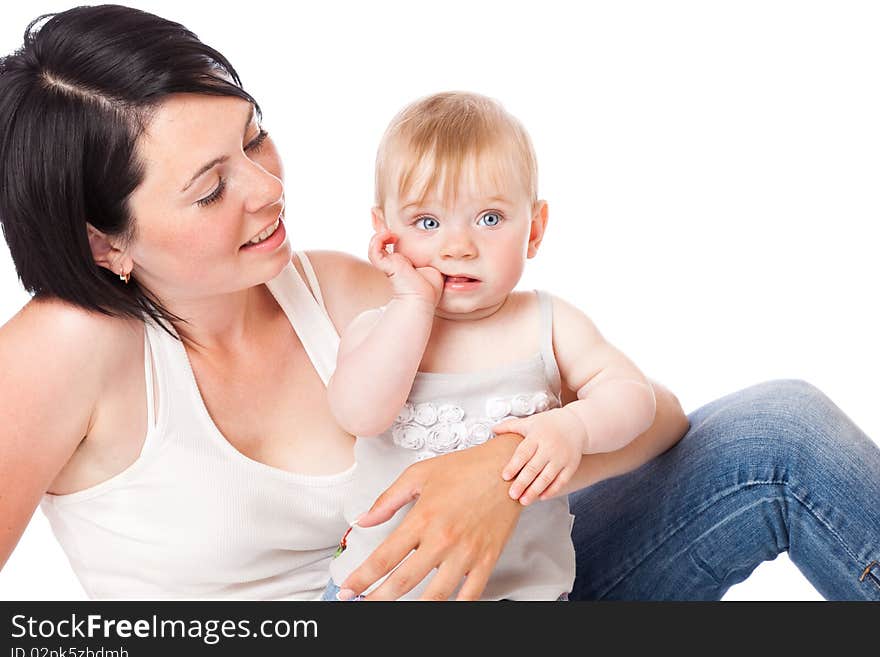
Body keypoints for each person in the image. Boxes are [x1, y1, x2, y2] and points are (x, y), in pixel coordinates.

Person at [0, 5, 877, 601]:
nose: (267, 188)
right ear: (102, 242)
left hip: (495, 596)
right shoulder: (66, 352)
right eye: (210, 188)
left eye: (255, 134)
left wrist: (501, 472)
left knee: (780, 435)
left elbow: (659, 426)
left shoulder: (341, 288)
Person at [324, 92, 657, 601]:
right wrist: (412, 303)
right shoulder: (379, 328)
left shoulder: (548, 322)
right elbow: (360, 414)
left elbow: (634, 396)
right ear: (385, 233)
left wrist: (572, 424)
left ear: (535, 228)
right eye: (428, 223)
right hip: (378, 593)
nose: (459, 246)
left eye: (490, 219)